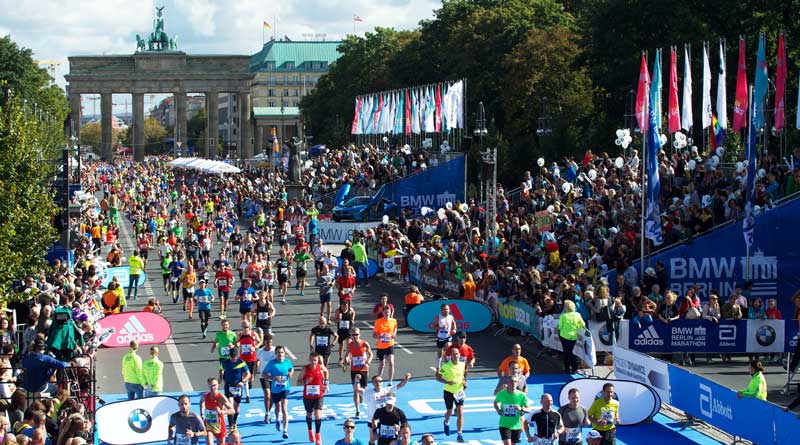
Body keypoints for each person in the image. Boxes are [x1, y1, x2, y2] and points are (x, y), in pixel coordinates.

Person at [297, 352, 329, 445]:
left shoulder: (320, 367)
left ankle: (318, 435)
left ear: (317, 360)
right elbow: (298, 382)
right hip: (307, 396)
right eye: (311, 360)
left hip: (319, 395)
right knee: (309, 414)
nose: (313, 362)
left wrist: (325, 383)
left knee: (318, 414)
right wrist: (305, 382)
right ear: (309, 360)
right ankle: (310, 431)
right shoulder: (305, 369)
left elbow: (326, 372)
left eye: (315, 360)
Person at [436, 348, 466, 442]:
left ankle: (459, 434)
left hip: (459, 392)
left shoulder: (462, 364)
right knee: (450, 411)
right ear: (450, 356)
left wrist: (464, 382)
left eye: (457, 354)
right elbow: (438, 377)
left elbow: (463, 375)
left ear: (459, 354)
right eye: (453, 354)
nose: (455, 356)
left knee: (460, 413)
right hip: (448, 391)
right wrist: (447, 381)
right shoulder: (446, 366)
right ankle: (446, 422)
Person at [264, 345, 294, 439]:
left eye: (281, 352)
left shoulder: (288, 362)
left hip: (285, 388)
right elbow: (264, 374)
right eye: (278, 353)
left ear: (284, 353)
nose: (280, 354)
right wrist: (273, 378)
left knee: (284, 408)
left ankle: (285, 431)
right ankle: (277, 419)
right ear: (275, 354)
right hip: (275, 389)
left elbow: (291, 369)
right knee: (278, 406)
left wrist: (291, 373)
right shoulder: (272, 363)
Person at [345, 328, 374, 418]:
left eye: (356, 335)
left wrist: (368, 361)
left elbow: (371, 354)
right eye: (353, 335)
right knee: (355, 390)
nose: (355, 337)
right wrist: (346, 359)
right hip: (354, 370)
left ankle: (361, 396)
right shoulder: (349, 345)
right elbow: (346, 354)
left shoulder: (364, 343)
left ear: (359, 335)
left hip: (363, 369)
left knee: (363, 389)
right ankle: (357, 410)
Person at [219, 347, 250, 431]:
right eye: (232, 357)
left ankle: (234, 422)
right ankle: (230, 426)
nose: (233, 359)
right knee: (229, 405)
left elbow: (248, 374)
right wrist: (220, 378)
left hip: (238, 386)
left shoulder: (242, 363)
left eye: (235, 357)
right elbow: (221, 370)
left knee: (236, 407)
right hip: (228, 386)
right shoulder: (224, 362)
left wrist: (243, 381)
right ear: (229, 356)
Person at [493, 375, 529, 445]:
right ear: (507, 383)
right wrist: (498, 410)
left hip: (516, 425)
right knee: (507, 443)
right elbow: (495, 402)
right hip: (504, 424)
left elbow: (529, 409)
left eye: (515, 381)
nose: (513, 383)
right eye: (511, 381)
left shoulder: (521, 395)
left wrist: (521, 408)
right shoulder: (501, 394)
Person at [199, 377, 233, 445]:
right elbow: (201, 402)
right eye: (211, 386)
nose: (213, 388)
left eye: (215, 385)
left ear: (218, 385)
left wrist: (222, 412)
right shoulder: (205, 396)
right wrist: (202, 413)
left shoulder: (221, 397)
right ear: (208, 386)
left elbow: (232, 410)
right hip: (209, 424)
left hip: (219, 425)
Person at [558, 300, 586, 375]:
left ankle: (567, 368)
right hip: (573, 336)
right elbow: (582, 324)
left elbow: (559, 326)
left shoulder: (563, 316)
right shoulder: (577, 315)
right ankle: (574, 368)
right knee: (571, 352)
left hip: (564, 336)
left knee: (567, 353)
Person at [374, 306, 398, 384]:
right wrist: (380, 336)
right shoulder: (378, 322)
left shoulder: (393, 321)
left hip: (390, 344)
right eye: (385, 312)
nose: (387, 314)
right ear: (382, 313)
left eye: (388, 312)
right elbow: (374, 335)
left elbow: (395, 329)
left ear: (390, 312)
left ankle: (390, 381)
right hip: (380, 345)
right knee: (382, 363)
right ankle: (378, 378)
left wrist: (394, 334)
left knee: (391, 362)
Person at [237, 323, 260, 404]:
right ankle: (247, 396)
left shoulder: (254, 334)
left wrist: (255, 347)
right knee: (245, 377)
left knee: (251, 378)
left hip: (252, 359)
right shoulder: (240, 335)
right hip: (243, 360)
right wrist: (237, 344)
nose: (245, 328)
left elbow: (260, 342)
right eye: (244, 327)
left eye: (247, 327)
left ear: (250, 327)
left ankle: (249, 383)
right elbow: (236, 343)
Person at [256, 334, 276, 424]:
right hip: (263, 376)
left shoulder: (275, 350)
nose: (269, 344)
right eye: (267, 342)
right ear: (264, 342)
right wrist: (255, 370)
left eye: (271, 342)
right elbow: (257, 361)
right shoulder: (260, 352)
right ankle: (267, 413)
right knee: (267, 395)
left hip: (273, 376)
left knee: (272, 396)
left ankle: (268, 411)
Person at [433, 304, 457, 370]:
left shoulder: (451, 317)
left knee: (449, 349)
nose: (446, 311)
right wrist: (440, 327)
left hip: (448, 337)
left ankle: (448, 365)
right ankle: (438, 366)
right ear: (441, 310)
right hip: (440, 337)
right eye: (444, 309)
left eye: (447, 309)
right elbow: (433, 327)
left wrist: (454, 329)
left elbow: (454, 323)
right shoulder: (438, 317)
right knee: (440, 352)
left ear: (449, 310)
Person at [335, 300, 356, 366]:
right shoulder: (338, 311)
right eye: (344, 306)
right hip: (341, 330)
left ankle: (347, 357)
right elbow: (335, 321)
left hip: (348, 330)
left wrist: (352, 319)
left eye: (346, 306)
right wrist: (339, 319)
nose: (345, 308)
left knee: (349, 344)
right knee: (341, 344)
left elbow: (354, 313)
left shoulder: (350, 309)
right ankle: (340, 358)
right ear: (341, 306)